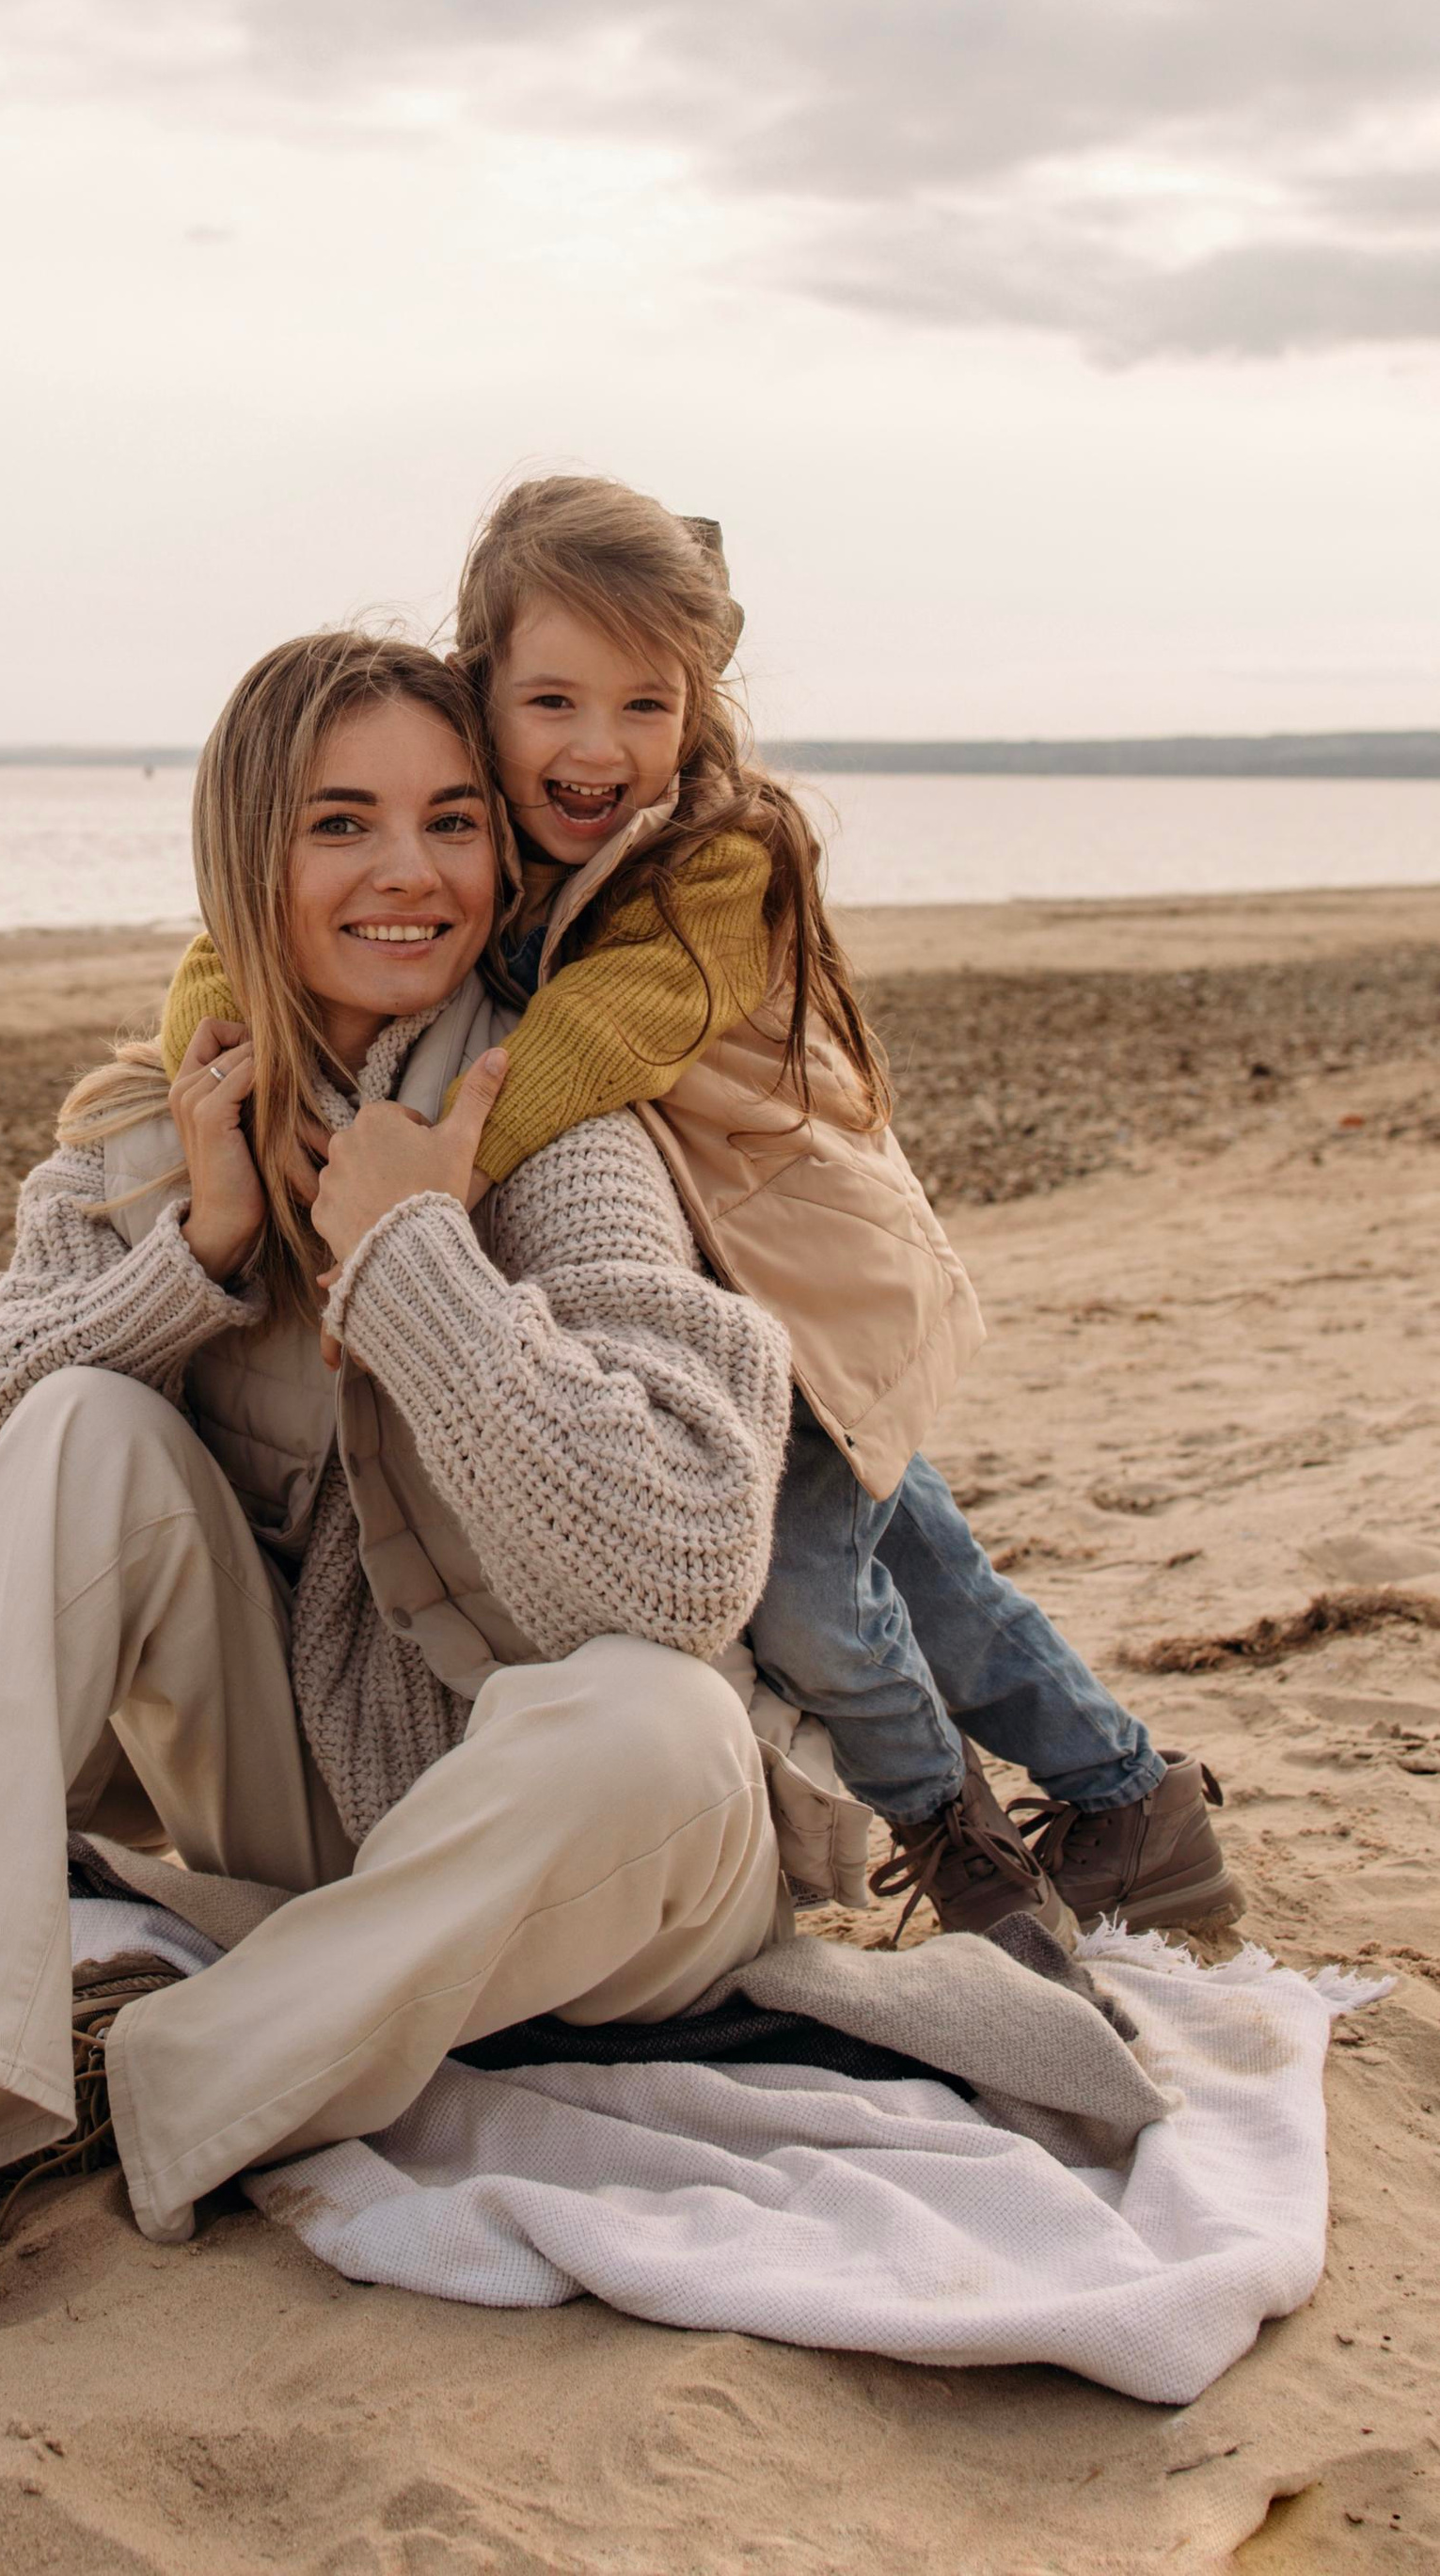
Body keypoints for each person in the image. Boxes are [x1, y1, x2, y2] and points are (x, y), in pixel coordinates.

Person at [0, 632, 793, 2456]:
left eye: (446, 821)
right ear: (244, 862)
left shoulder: (550, 1125)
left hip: (594, 1861)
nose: (404, 874)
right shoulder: (138, 1129)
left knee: (654, 1717)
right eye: (340, 824)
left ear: (502, 855)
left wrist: (413, 1253)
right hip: (305, 1819)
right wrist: (186, 1260)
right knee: (73, 1420)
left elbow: (669, 1572)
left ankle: (86, 2091)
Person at [162, 478, 1234, 1947]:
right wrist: (233, 1067)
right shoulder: (482, 820)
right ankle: (1132, 1803)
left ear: (698, 706)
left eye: (645, 705)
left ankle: (951, 1835)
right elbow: (232, 943)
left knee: (805, 1585)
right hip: (713, 1269)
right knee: (921, 1562)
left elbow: (597, 1039)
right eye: (552, 700)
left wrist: (419, 1166)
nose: (598, 748)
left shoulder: (721, 855)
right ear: (481, 687)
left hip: (798, 1272)